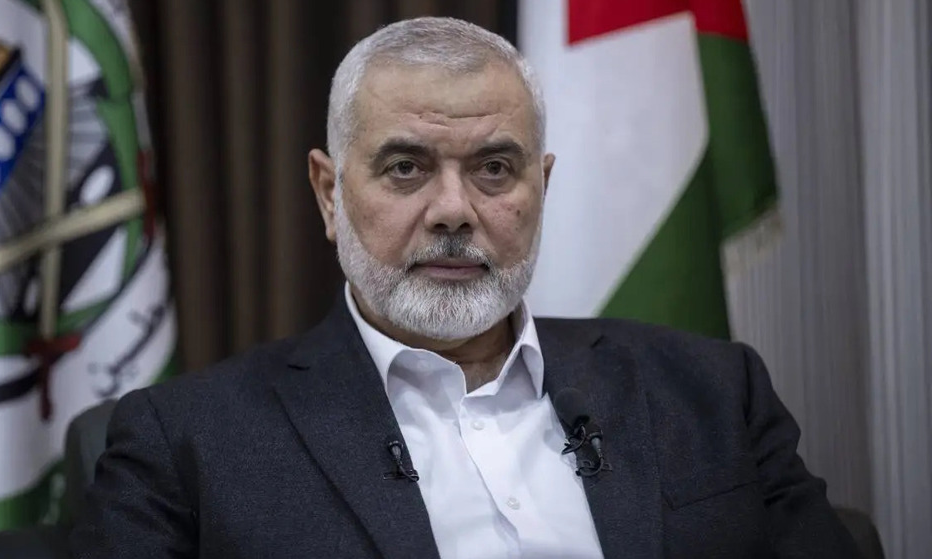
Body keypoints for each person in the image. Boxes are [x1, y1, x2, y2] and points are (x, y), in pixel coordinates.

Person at [70, 17, 863, 559]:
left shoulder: (713, 392)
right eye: (406, 166)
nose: (454, 211)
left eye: (494, 168)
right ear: (328, 192)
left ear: (540, 187)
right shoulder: (187, 443)